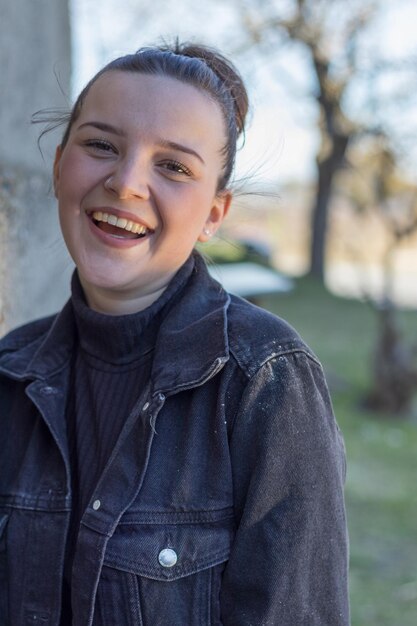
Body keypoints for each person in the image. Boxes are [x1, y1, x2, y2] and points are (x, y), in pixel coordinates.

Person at [0, 42, 349, 625]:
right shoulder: (9, 372)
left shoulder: (266, 382)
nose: (127, 182)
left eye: (174, 166)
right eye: (101, 145)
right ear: (60, 165)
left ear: (215, 213)